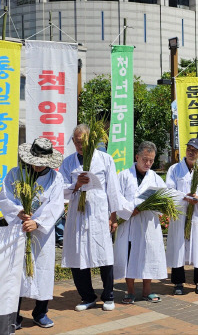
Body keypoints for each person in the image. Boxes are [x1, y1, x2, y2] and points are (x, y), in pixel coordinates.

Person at [0, 138, 64, 329]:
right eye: (35, 161)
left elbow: (56, 205)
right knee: (16, 271)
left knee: (43, 271)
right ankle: (14, 315)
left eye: (42, 162)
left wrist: (38, 222)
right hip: (19, 228)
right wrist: (18, 212)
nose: (38, 166)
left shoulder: (55, 178)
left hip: (42, 233)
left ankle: (40, 312)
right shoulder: (15, 174)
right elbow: (5, 197)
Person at [60, 124, 121, 311]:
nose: (79, 145)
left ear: (91, 141)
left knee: (104, 254)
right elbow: (61, 189)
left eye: (83, 142)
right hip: (77, 214)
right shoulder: (68, 162)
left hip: (98, 213)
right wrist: (76, 185)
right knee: (77, 254)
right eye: (76, 142)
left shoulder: (105, 159)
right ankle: (87, 296)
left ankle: (109, 295)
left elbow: (113, 189)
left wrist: (113, 216)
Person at [114, 141, 167, 303]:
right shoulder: (123, 176)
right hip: (129, 223)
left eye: (151, 160)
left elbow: (164, 199)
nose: (148, 163)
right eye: (145, 159)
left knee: (148, 256)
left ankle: (147, 291)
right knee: (129, 256)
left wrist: (152, 206)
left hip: (148, 225)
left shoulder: (156, 179)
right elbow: (116, 197)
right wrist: (131, 209)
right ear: (137, 157)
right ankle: (130, 291)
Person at [165, 138, 198, 295]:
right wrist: (183, 197)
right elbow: (169, 189)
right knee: (178, 246)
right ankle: (178, 282)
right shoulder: (174, 169)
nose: (191, 152)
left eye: (195, 150)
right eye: (189, 148)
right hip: (181, 214)